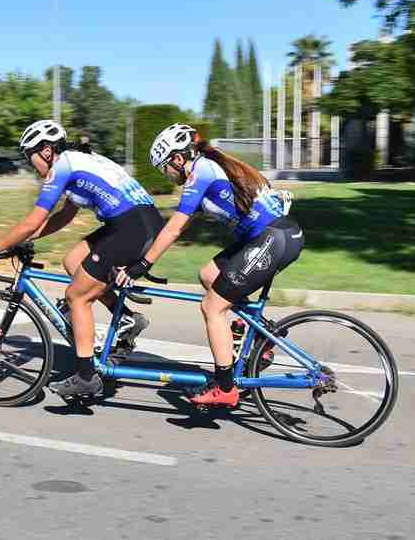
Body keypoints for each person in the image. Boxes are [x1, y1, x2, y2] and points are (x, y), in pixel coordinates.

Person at [0, 120, 164, 398]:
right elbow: (63, 217)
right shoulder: (77, 161)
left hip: (132, 227)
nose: (31, 165)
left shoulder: (61, 167)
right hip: (135, 222)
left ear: (46, 152)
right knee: (73, 261)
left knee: (77, 296)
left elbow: (32, 221)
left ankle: (86, 376)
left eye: (30, 158)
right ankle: (127, 320)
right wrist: (22, 241)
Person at [116, 124, 302, 408]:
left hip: (274, 238)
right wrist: (142, 258)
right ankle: (264, 332)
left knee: (212, 307)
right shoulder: (209, 168)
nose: (166, 174)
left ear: (178, 159)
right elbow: (176, 228)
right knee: (209, 275)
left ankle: (225, 387)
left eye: (165, 167)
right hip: (271, 236)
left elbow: (174, 228)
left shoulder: (199, 173)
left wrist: (141, 265)